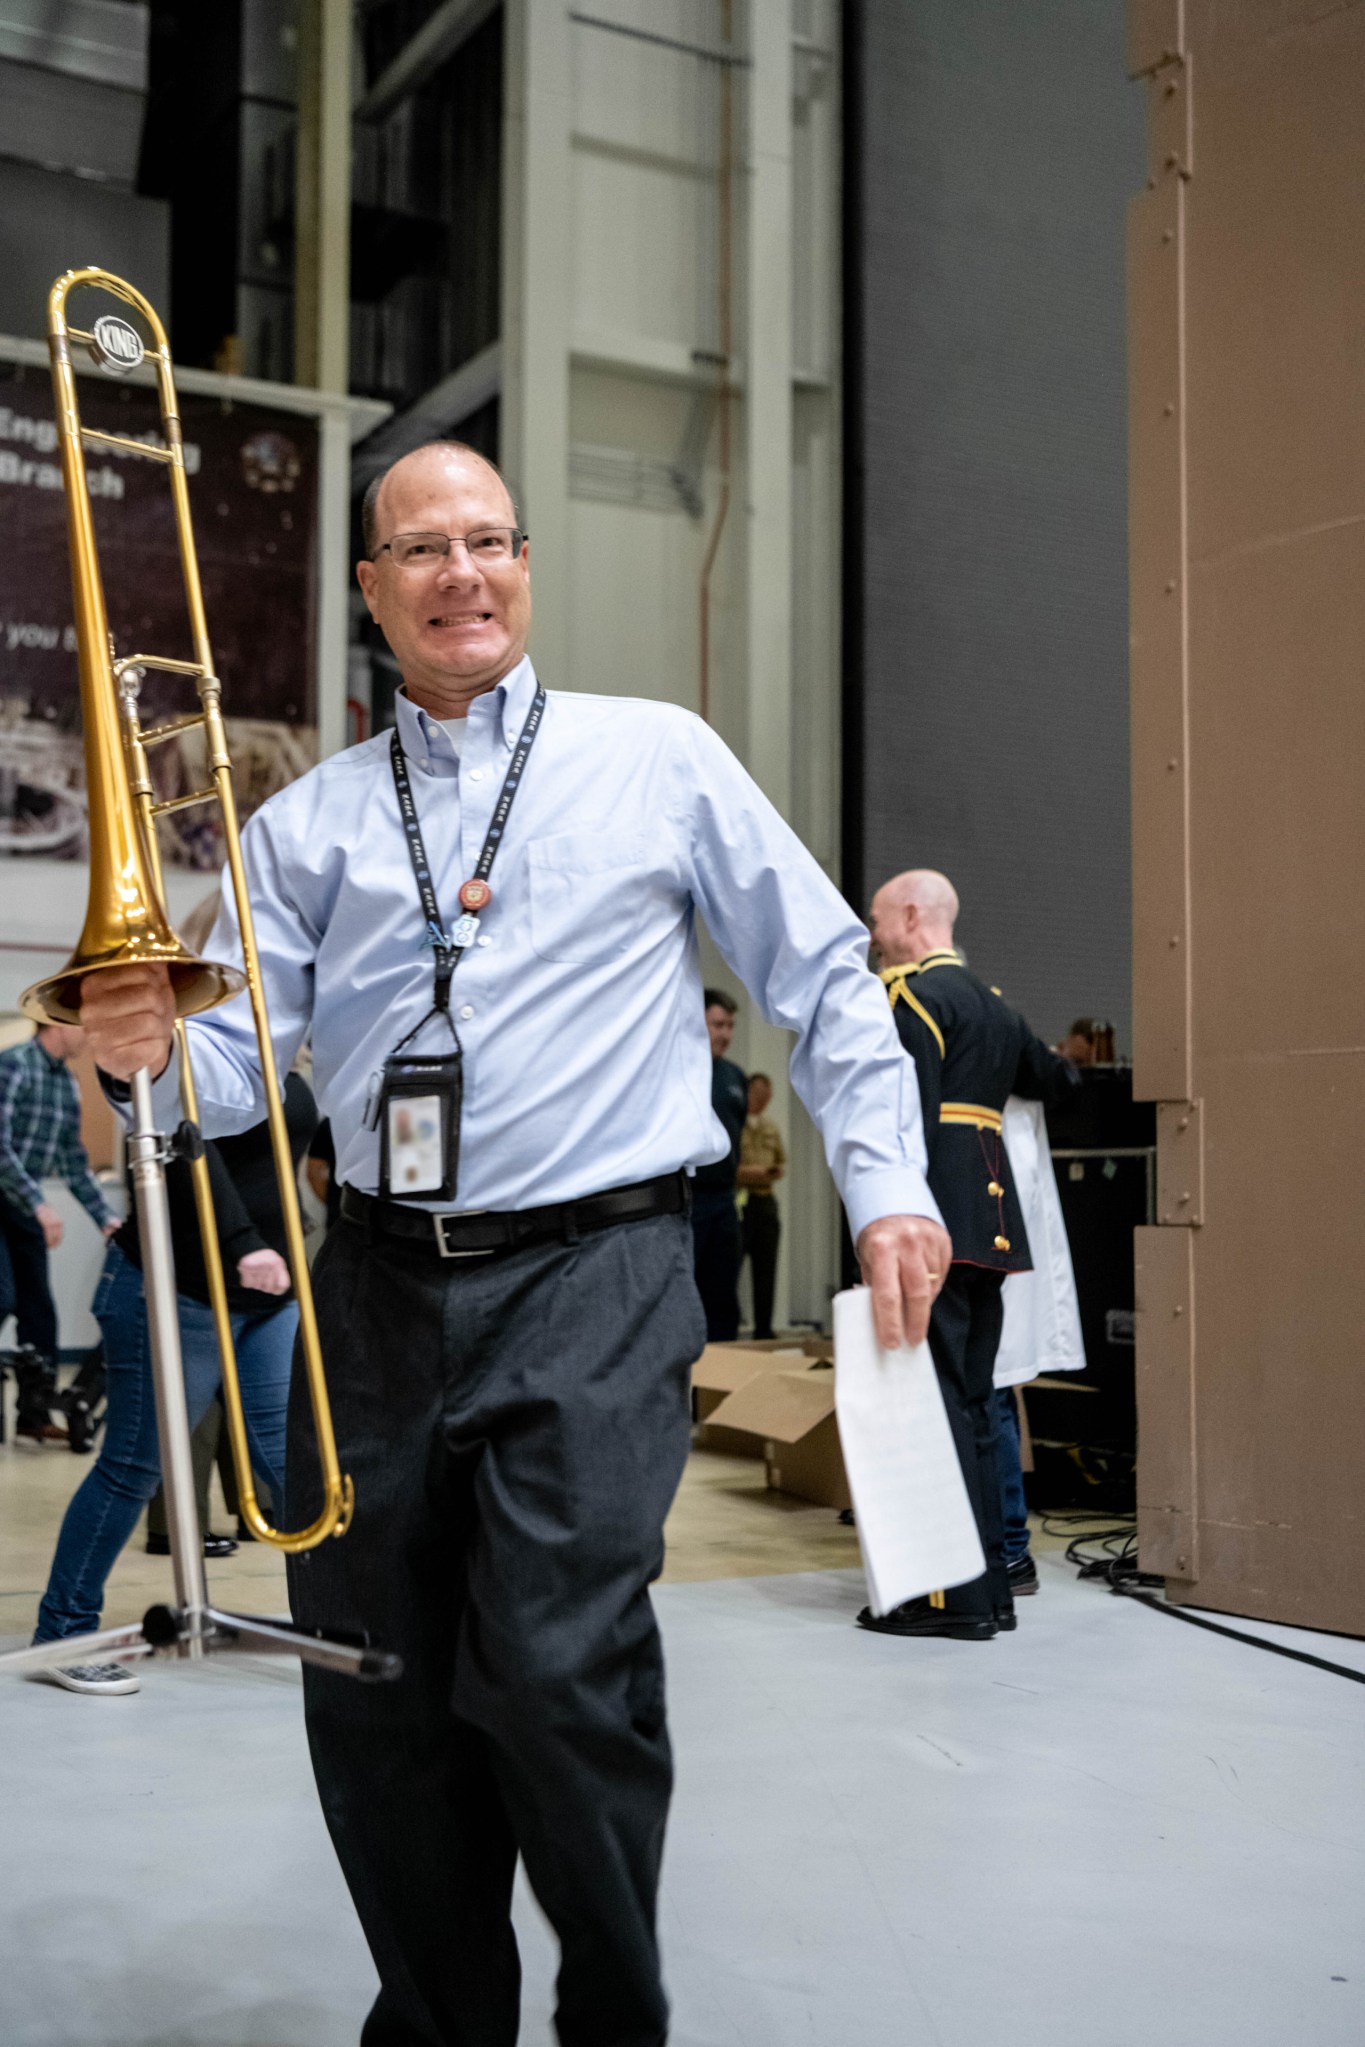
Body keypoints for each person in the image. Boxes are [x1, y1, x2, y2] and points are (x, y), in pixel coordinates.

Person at [78, 438, 949, 2047]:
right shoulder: (306, 823)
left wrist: (890, 1180)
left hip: (597, 1269)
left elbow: (825, 974)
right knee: (371, 1675)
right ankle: (436, 2021)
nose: (460, 573)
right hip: (380, 1281)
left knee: (555, 1662)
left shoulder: (657, 756)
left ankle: (614, 2016)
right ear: (371, 590)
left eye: (488, 540)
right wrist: (124, 1039)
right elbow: (218, 1074)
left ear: (528, 566)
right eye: (421, 549)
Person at [28, 1069, 317, 1696]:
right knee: (136, 1465)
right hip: (174, 1286)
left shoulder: (282, 1049)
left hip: (267, 1292)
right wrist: (242, 1243)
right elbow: (187, 1147)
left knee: (293, 1465)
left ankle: (339, 1623)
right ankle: (63, 1633)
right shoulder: (179, 1051)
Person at [860, 867, 1076, 1643]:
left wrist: (888, 1215)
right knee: (977, 1402)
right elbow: (1057, 1080)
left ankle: (952, 1597)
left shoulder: (907, 996)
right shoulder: (993, 1004)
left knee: (936, 1400)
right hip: (994, 1223)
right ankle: (994, 1586)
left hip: (933, 1218)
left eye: (880, 919)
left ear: (912, 914)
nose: (874, 935)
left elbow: (901, 1120)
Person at [0, 1022, 118, 1444]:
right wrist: (40, 1205)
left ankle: (32, 1417)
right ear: (55, 1024)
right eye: (82, 1025)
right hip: (10, 1199)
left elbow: (72, 1159)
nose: (90, 1034)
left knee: (40, 1315)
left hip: (24, 1207)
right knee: (4, 1297)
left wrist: (105, 1217)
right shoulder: (13, 1066)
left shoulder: (67, 1082)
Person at [691, 988, 748, 1340]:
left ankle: (721, 1379)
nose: (725, 1033)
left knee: (723, 1294)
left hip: (724, 1201)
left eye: (730, 1026)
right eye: (717, 1024)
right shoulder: (681, 1071)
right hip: (689, 1201)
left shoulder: (734, 1077)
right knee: (687, 1293)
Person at [738, 1072, 786, 1339]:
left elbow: (781, 1162)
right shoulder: (735, 1125)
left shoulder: (771, 1127)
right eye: (758, 1093)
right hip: (741, 1203)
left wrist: (771, 1172)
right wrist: (753, 1173)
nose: (763, 1099)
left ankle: (764, 1330)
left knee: (766, 1270)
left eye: (768, 1095)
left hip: (766, 1202)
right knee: (730, 1269)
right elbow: (731, 1168)